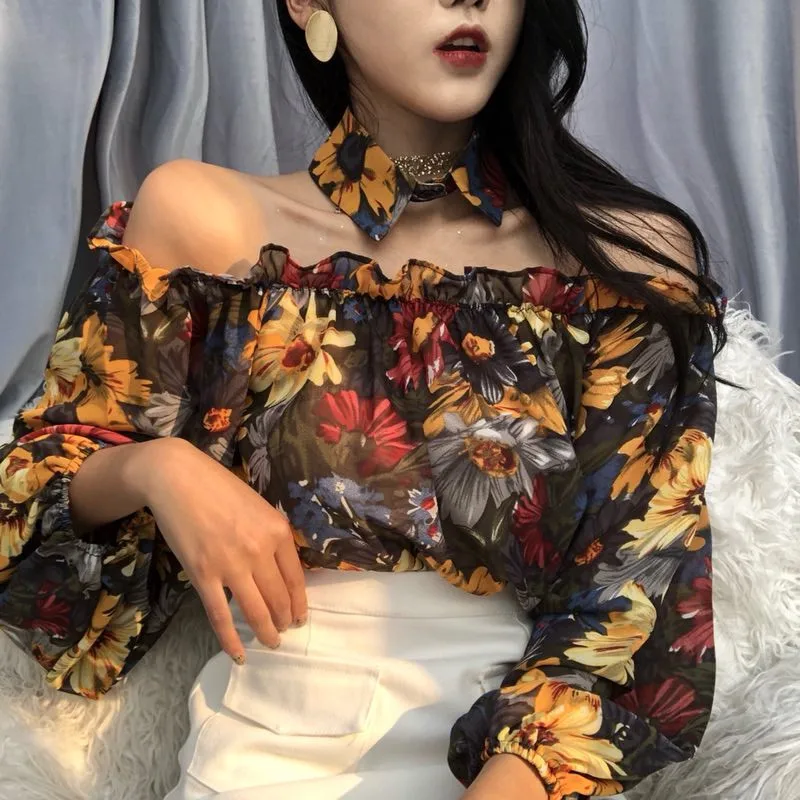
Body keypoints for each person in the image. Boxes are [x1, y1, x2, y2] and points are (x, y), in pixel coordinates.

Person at [0, 0, 728, 798]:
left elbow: (634, 600)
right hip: (257, 764)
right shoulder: (207, 226)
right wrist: (158, 469)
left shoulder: (625, 265)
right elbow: (29, 512)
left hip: (513, 771)